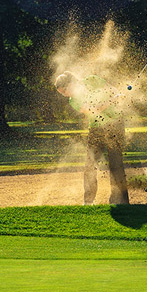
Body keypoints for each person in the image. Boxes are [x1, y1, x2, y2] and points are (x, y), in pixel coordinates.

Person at [55, 70, 129, 205]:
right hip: (96, 128)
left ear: (71, 83)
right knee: (90, 164)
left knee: (116, 163)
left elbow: (111, 89)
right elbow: (93, 109)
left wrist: (118, 95)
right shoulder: (73, 101)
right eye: (62, 94)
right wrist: (113, 100)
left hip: (115, 123)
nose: (65, 95)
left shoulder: (92, 79)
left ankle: (120, 201)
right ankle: (88, 201)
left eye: (65, 91)